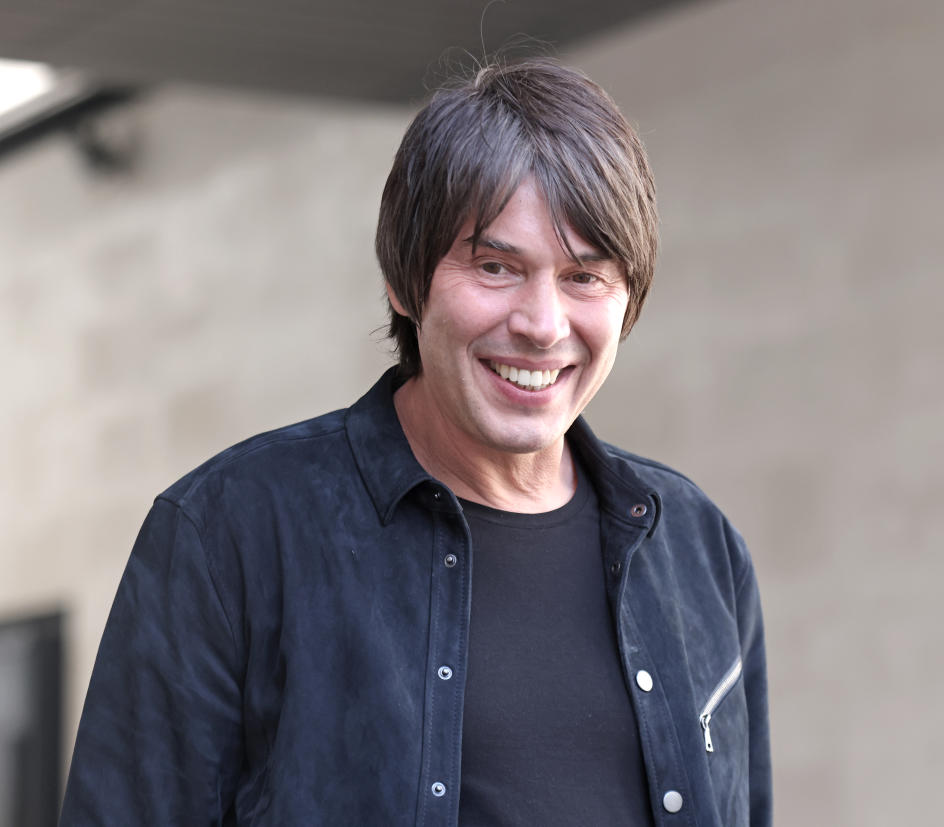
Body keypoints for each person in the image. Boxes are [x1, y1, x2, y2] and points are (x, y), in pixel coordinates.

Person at [61, 58, 770, 826]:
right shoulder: (231, 533)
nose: (542, 323)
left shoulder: (697, 547)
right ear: (404, 281)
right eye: (496, 266)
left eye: (584, 276)